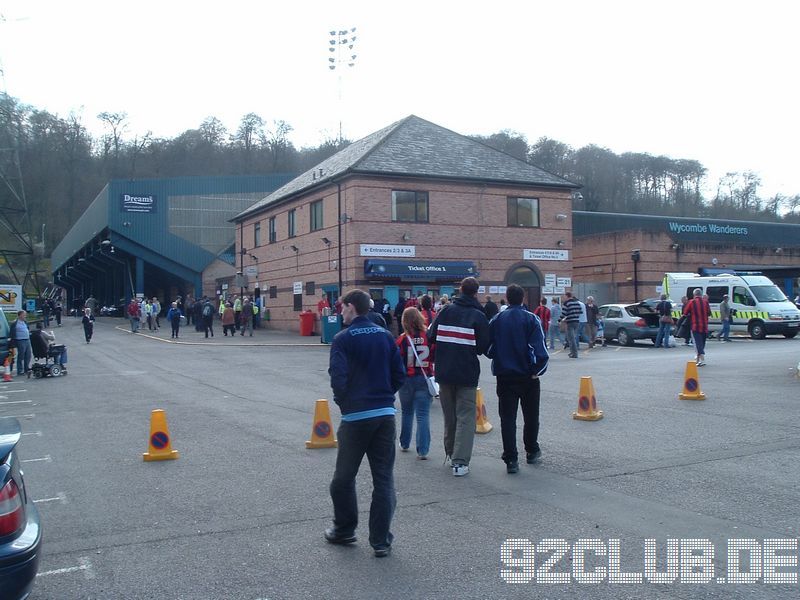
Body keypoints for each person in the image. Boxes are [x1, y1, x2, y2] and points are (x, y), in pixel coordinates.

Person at [326, 289, 405, 558]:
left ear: (351, 307)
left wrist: (345, 403)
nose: (340, 312)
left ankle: (345, 528)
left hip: (356, 418)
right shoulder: (385, 336)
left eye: (342, 307)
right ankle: (380, 540)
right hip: (384, 415)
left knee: (343, 478)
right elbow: (398, 374)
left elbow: (338, 378)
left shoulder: (342, 339)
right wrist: (385, 397)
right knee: (383, 480)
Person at [427, 277, 490, 477]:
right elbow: (483, 347)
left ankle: (450, 452)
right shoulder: (478, 316)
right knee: (465, 417)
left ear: (460, 290)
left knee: (450, 415)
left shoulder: (445, 311)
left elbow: (430, 336)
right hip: (467, 373)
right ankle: (460, 462)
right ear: (475, 293)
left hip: (444, 372)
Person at [486, 284, 549, 473]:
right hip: (528, 376)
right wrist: (537, 370)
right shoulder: (532, 319)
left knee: (507, 419)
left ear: (507, 297)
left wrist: (498, 356)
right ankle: (531, 450)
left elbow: (488, 348)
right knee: (531, 416)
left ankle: (511, 459)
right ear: (523, 298)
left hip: (505, 376)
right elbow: (541, 350)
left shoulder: (496, 320)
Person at [396, 307, 435, 460]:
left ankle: (405, 443)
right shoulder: (428, 337)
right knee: (423, 415)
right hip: (424, 378)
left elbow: (396, 361)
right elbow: (433, 356)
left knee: (406, 412)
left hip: (406, 379)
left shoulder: (402, 339)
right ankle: (423, 450)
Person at [684, 288, 711, 366]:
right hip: (704, 326)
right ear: (701, 294)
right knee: (702, 343)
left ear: (694, 295)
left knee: (697, 343)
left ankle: (702, 359)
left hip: (695, 326)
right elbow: (709, 313)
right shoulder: (705, 302)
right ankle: (698, 359)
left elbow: (685, 312)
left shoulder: (691, 302)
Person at [9, 310, 32, 377]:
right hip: (20, 340)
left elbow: (27, 329)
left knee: (28, 355)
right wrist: (12, 341)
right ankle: (20, 370)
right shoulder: (15, 323)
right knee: (21, 355)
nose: (25, 316)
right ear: (19, 315)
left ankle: (26, 368)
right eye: (24, 315)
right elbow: (12, 332)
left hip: (27, 340)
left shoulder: (25, 322)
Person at [562, 292, 581, 358]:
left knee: (571, 339)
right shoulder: (577, 302)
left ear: (567, 296)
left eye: (564, 296)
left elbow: (563, 313)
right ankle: (572, 352)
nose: (564, 297)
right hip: (577, 321)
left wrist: (559, 320)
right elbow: (580, 311)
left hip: (570, 322)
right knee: (573, 337)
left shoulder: (566, 303)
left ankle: (574, 353)